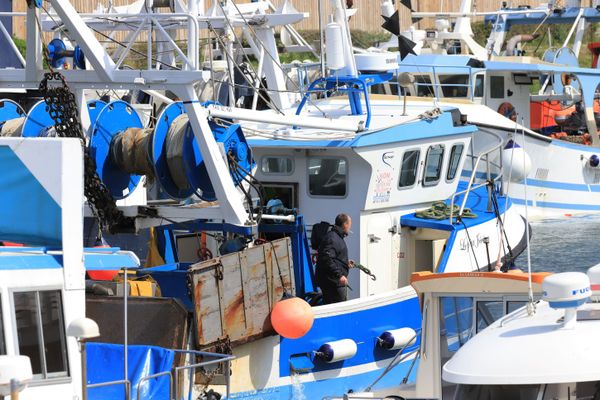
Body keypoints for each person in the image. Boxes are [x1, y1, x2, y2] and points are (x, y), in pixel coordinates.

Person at [316, 213, 354, 304]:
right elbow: (327, 258)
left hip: (334, 282)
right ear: (345, 224)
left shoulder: (336, 237)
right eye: (349, 225)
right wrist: (339, 275)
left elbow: (333, 258)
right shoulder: (332, 238)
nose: (350, 228)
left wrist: (345, 263)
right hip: (333, 283)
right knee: (340, 308)